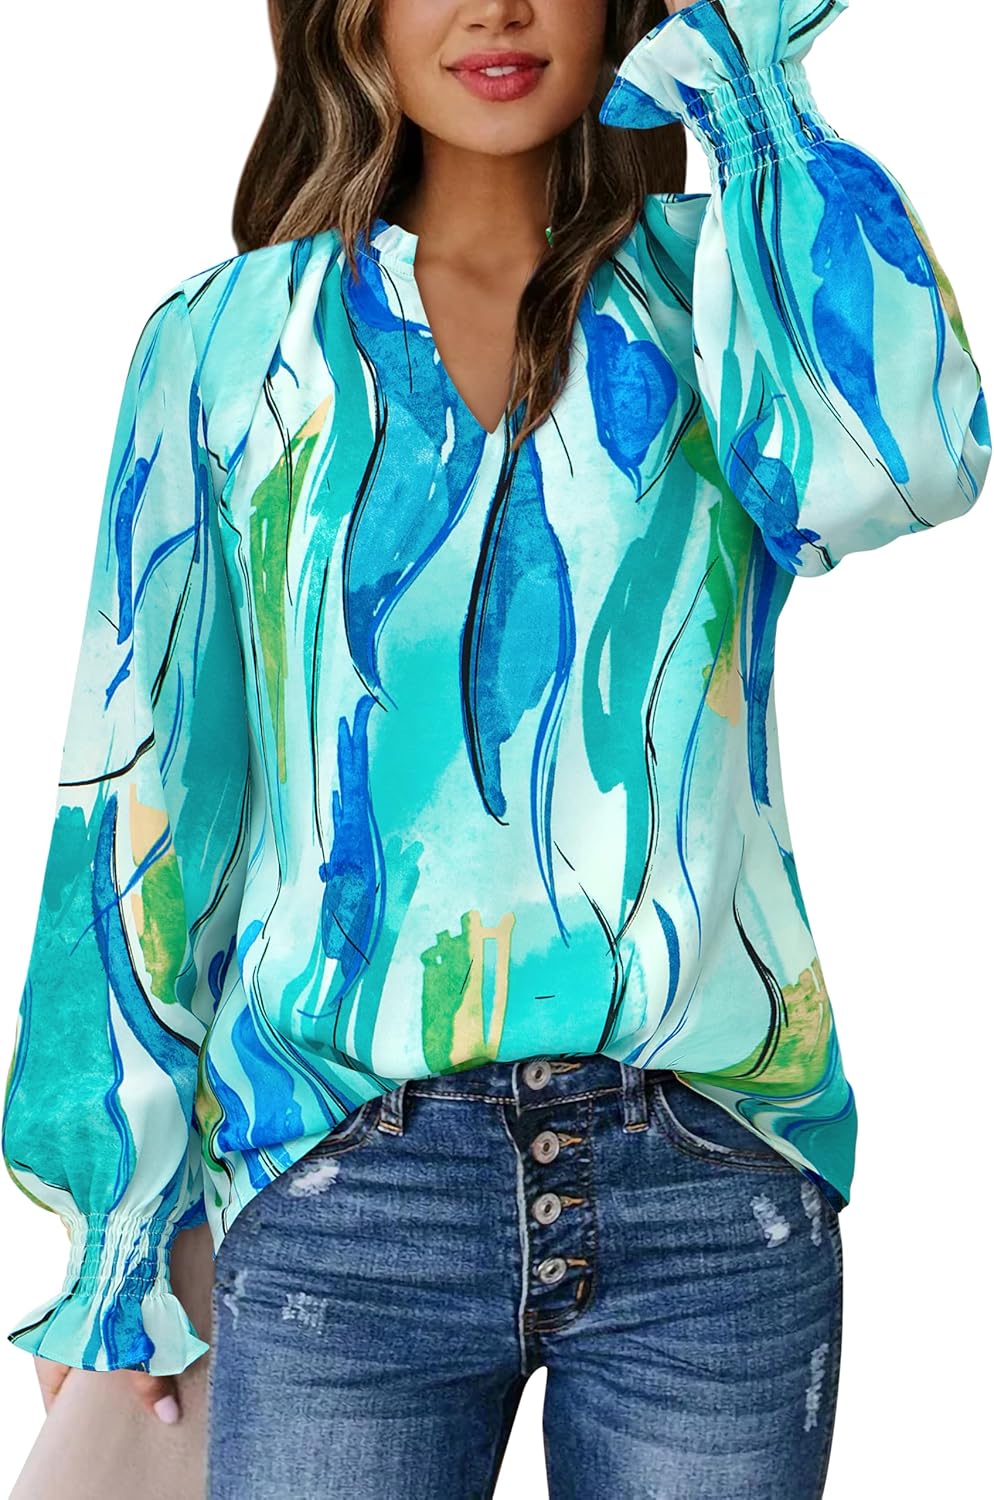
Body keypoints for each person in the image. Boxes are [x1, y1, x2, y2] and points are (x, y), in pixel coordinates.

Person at [2, 0, 988, 1495]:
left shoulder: (719, 289)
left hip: (711, 1182)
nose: (500, 8)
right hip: (342, 1187)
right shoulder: (231, 342)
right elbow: (142, 791)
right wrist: (117, 1239)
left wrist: (748, 92)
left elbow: (903, 463)